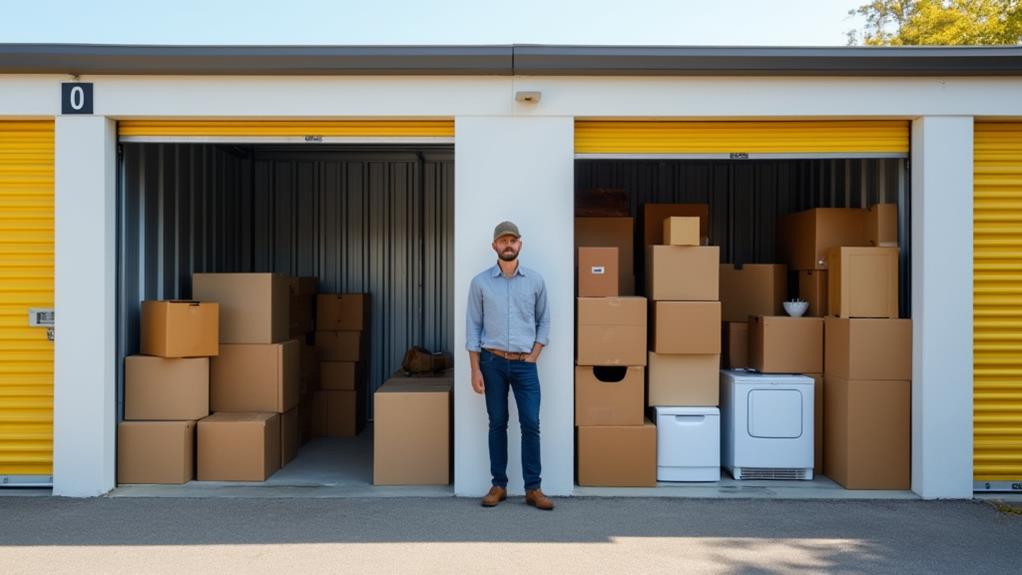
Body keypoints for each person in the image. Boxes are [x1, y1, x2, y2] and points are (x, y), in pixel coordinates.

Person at [466, 221, 554, 510]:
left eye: (512, 240)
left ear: (520, 245)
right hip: (491, 363)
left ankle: (533, 488)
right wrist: (475, 368)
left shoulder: (535, 282)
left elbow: (545, 321)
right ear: (494, 246)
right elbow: (473, 327)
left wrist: (534, 355)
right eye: (503, 241)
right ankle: (499, 485)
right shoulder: (480, 283)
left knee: (531, 423)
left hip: (524, 365)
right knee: (497, 423)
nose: (508, 245)